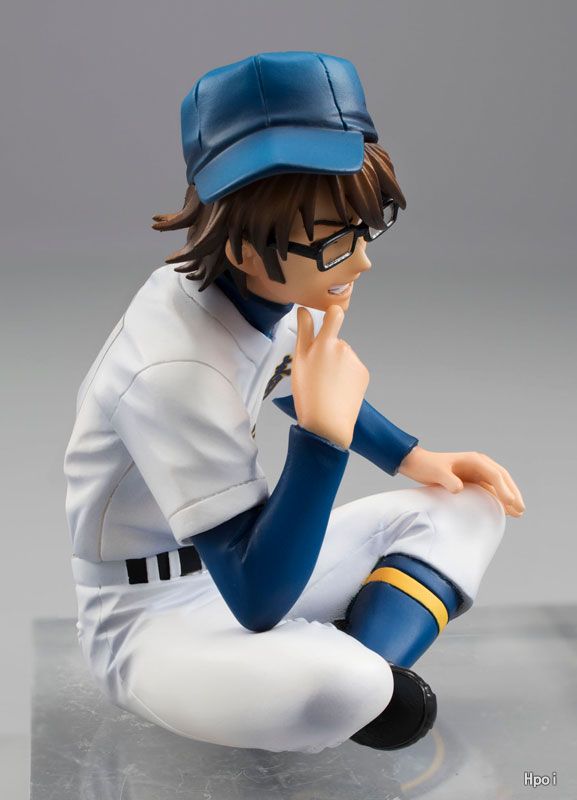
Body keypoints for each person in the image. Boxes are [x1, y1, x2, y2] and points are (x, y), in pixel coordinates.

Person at [64, 51, 524, 754]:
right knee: (340, 690)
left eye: (367, 226)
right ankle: (352, 674)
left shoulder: (256, 291)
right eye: (335, 239)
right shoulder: (172, 368)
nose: (361, 260)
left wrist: (414, 458)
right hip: (151, 618)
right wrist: (321, 443)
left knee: (469, 504)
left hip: (250, 570)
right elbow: (256, 599)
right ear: (247, 243)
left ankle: (353, 667)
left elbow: (285, 374)